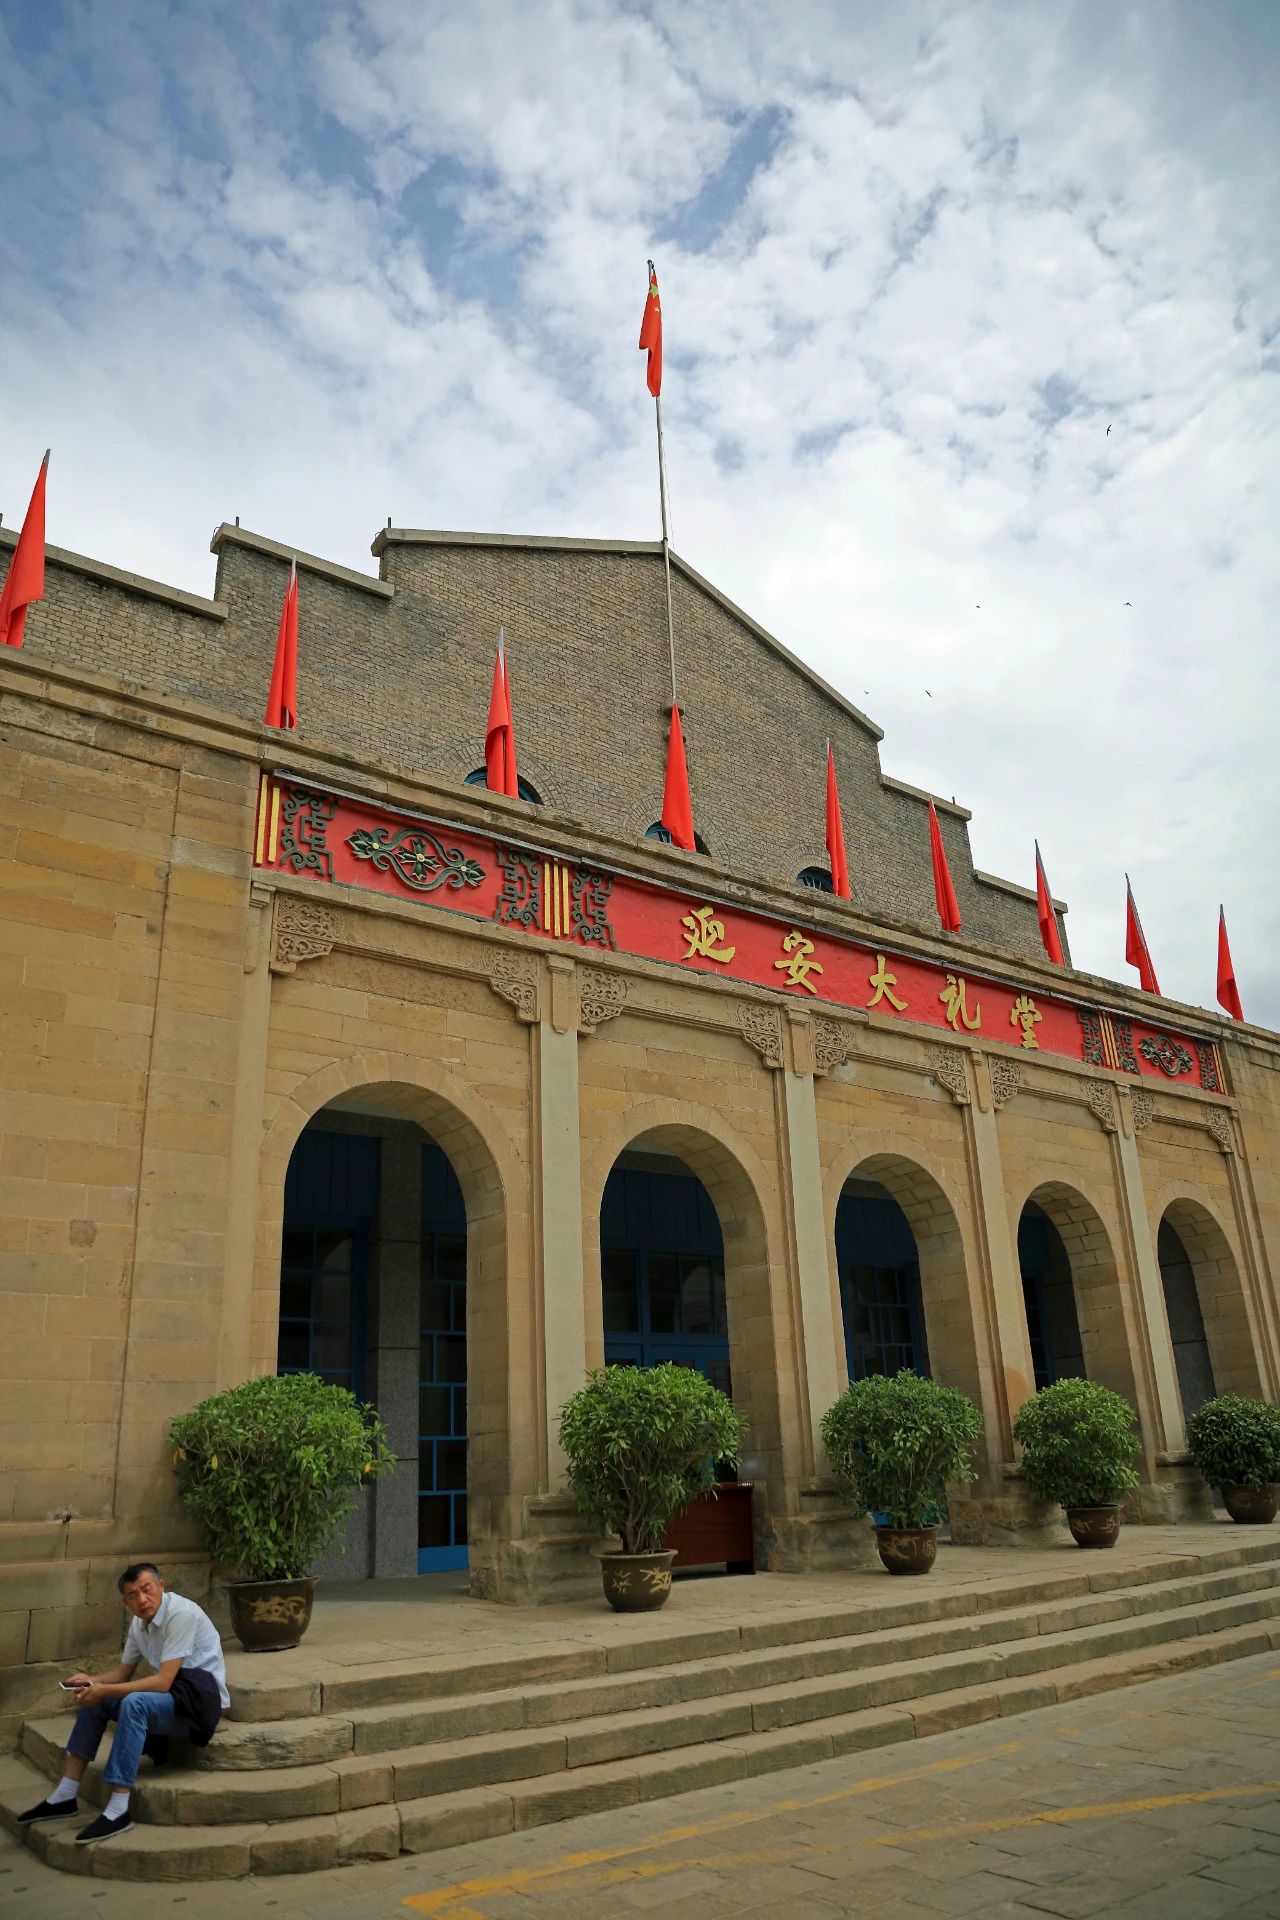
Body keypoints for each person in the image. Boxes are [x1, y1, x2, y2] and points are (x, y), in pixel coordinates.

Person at [17, 1562, 229, 1846]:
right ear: (125, 1602)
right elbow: (122, 1673)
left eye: (146, 1589)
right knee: (97, 1698)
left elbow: (162, 1681)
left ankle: (119, 1809)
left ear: (161, 1586)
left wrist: (105, 1689)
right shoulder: (139, 1625)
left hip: (198, 1704)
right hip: (171, 1698)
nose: (142, 1599)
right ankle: (65, 1794)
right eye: (133, 1595)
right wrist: (91, 1681)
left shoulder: (182, 1614)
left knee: (134, 1703)